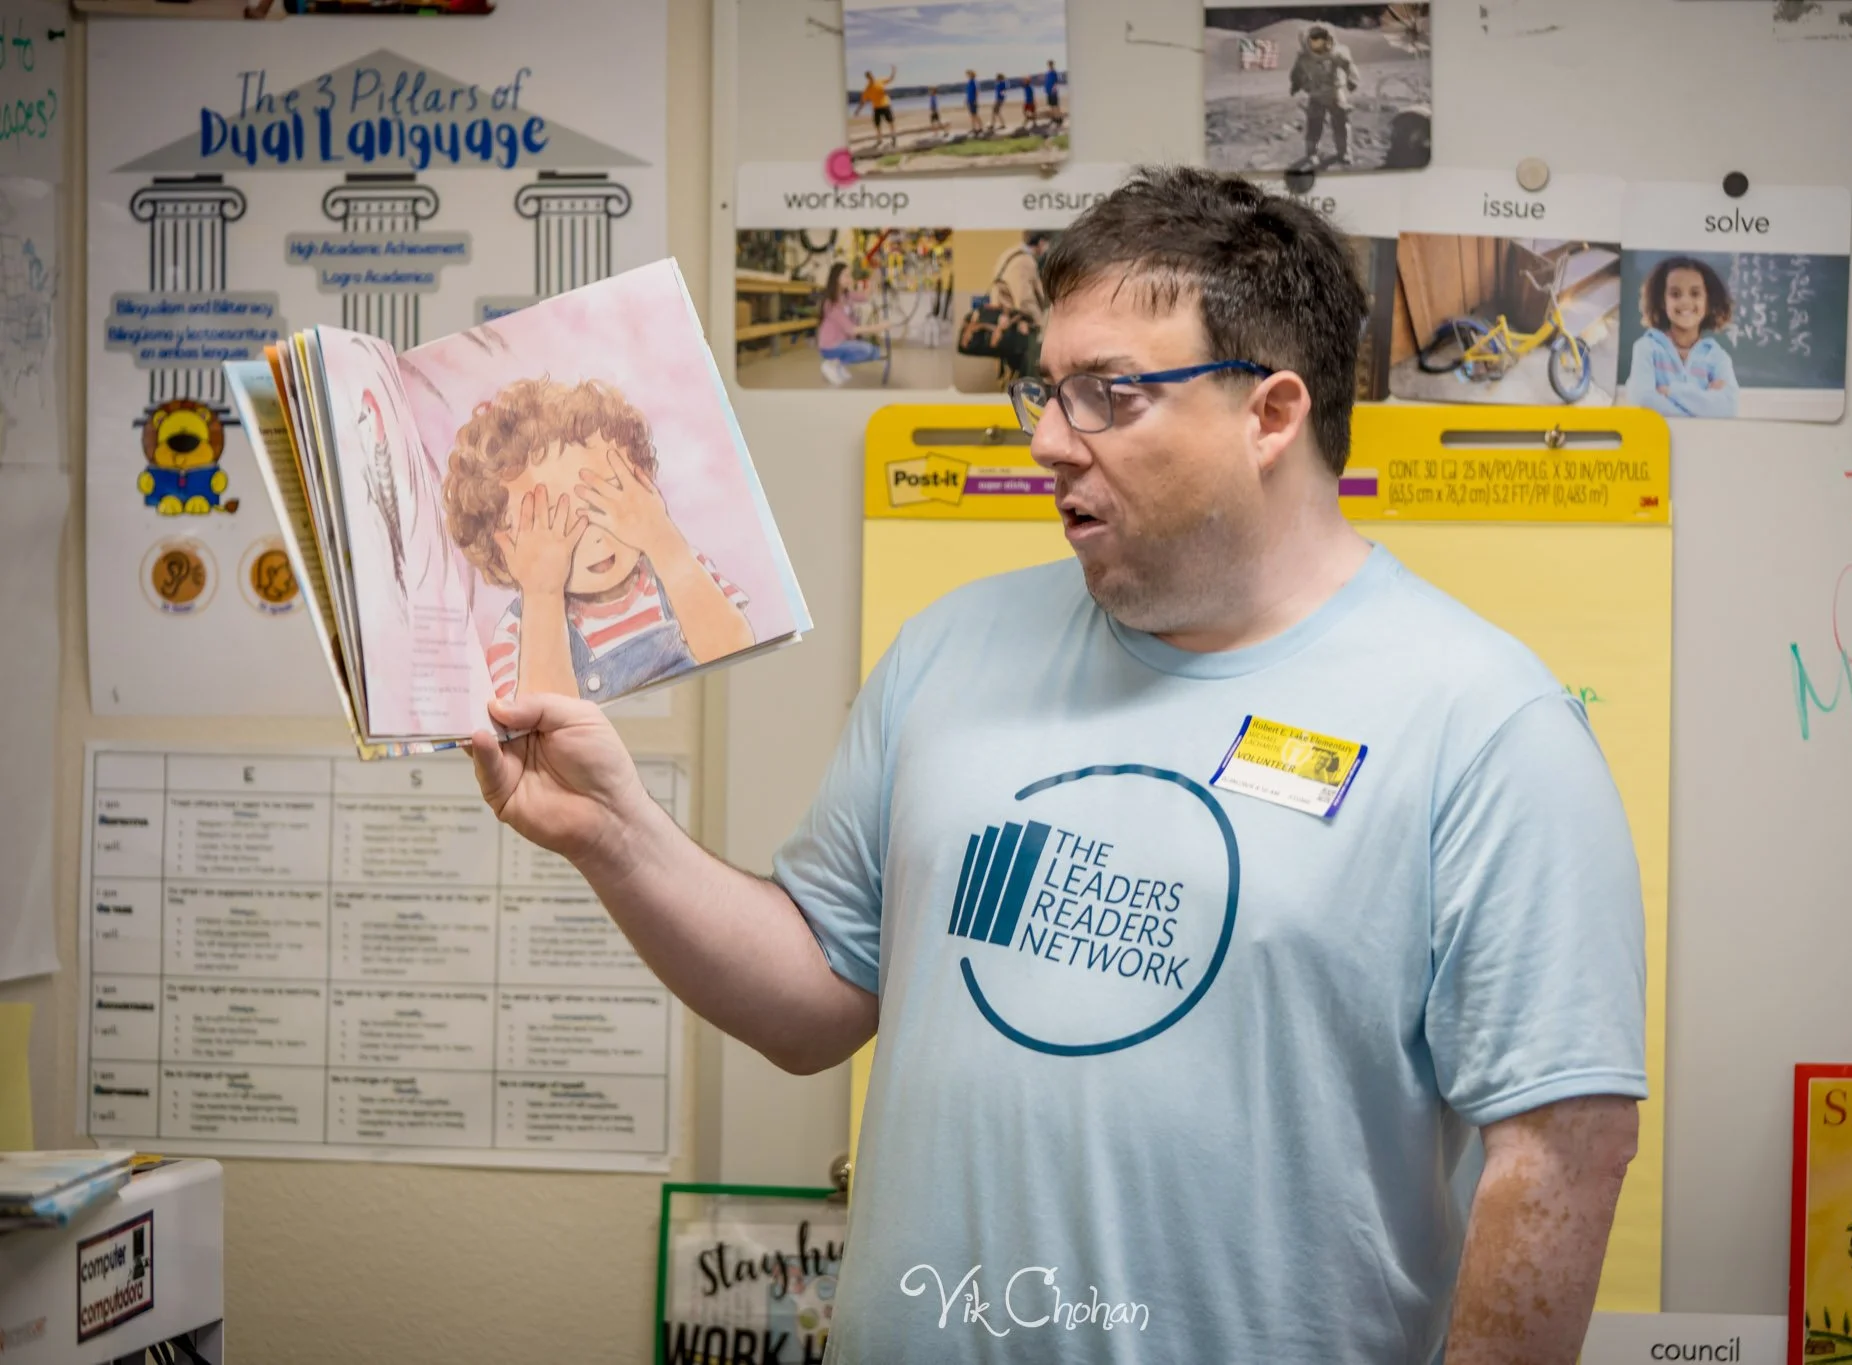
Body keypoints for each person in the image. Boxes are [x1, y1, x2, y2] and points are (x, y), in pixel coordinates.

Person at [467, 167, 1645, 1363]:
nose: (1043, 438)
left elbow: (1561, 1147)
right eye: (1046, 387)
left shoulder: (1485, 725)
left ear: (1270, 415)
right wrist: (615, 837)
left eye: (1106, 395)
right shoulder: (948, 649)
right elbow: (818, 999)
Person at [441, 377, 755, 704]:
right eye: (556, 521)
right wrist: (542, 594)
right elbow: (541, 719)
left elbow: (736, 649)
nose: (594, 535)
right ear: (502, 552)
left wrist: (662, 539)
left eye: (605, 500)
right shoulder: (519, 630)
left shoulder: (679, 570)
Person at [1623, 256, 1739, 419]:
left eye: (1695, 293)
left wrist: (1671, 391)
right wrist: (1703, 405)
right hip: (1659, 442)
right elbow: (1642, 402)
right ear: (1663, 301)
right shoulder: (1646, 348)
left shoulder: (1717, 357)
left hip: (1705, 443)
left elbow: (1729, 409)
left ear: (1708, 301)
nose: (1685, 301)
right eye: (1675, 294)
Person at [1290, 23, 1359, 168]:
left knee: (1341, 123)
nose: (1317, 44)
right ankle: (1311, 153)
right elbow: (1297, 72)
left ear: (1328, 40)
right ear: (1308, 41)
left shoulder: (1336, 53)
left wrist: (1352, 79)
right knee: (1314, 124)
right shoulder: (1304, 57)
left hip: (1334, 92)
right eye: (1314, 41)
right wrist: (1295, 84)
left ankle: (1344, 152)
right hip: (1315, 94)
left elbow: (1349, 65)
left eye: (1320, 40)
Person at [815, 260, 888, 387]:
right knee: (866, 350)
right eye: (846, 275)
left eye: (850, 275)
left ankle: (836, 364)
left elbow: (864, 296)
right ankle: (832, 362)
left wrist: (874, 279)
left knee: (875, 352)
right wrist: (878, 327)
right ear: (836, 278)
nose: (850, 278)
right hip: (830, 346)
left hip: (842, 343)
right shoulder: (831, 303)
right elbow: (851, 330)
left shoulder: (845, 295)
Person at [856, 66, 897, 149]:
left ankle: (893, 137)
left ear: (872, 75)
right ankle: (880, 139)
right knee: (877, 125)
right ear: (867, 78)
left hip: (885, 105)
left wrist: (893, 71)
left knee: (891, 122)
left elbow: (890, 79)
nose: (871, 77)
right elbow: (863, 101)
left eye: (871, 75)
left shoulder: (880, 81)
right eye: (869, 77)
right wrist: (858, 110)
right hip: (876, 108)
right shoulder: (867, 89)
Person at [1044, 57, 1063, 127]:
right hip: (1048, 92)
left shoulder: (1054, 72)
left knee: (1056, 106)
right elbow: (1047, 82)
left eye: (1050, 64)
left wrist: (1053, 89)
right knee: (1051, 105)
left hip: (1053, 92)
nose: (1050, 65)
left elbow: (1056, 82)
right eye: (1049, 64)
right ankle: (1054, 118)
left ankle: (1059, 118)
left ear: (1052, 64)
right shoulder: (1048, 73)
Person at [962, 68, 982, 135]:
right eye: (967, 74)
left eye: (968, 74)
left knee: (975, 114)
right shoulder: (969, 82)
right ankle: (974, 128)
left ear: (972, 74)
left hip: (973, 100)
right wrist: (965, 100)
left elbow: (977, 91)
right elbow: (968, 92)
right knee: (972, 115)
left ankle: (980, 128)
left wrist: (976, 100)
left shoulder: (974, 82)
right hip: (969, 100)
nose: (967, 75)